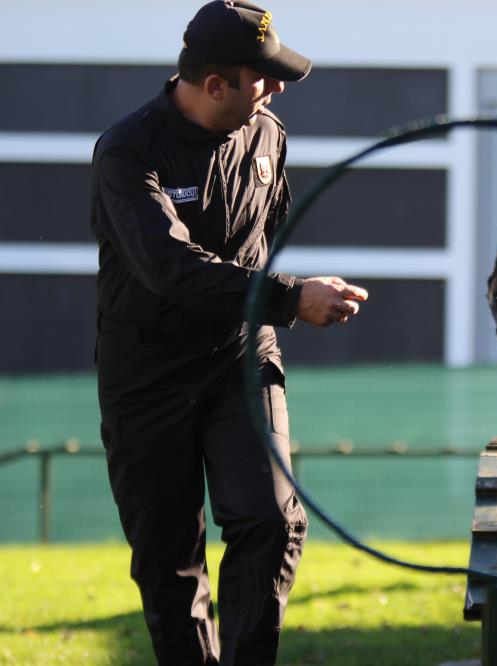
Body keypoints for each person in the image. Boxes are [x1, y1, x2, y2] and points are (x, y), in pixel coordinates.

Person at [89, 2, 367, 663]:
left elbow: (260, 247)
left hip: (239, 358)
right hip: (146, 377)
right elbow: (170, 268)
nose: (273, 92)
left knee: (272, 522)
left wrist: (282, 296)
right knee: (167, 559)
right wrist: (291, 298)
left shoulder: (268, 136)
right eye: (261, 79)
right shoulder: (126, 153)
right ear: (215, 84)